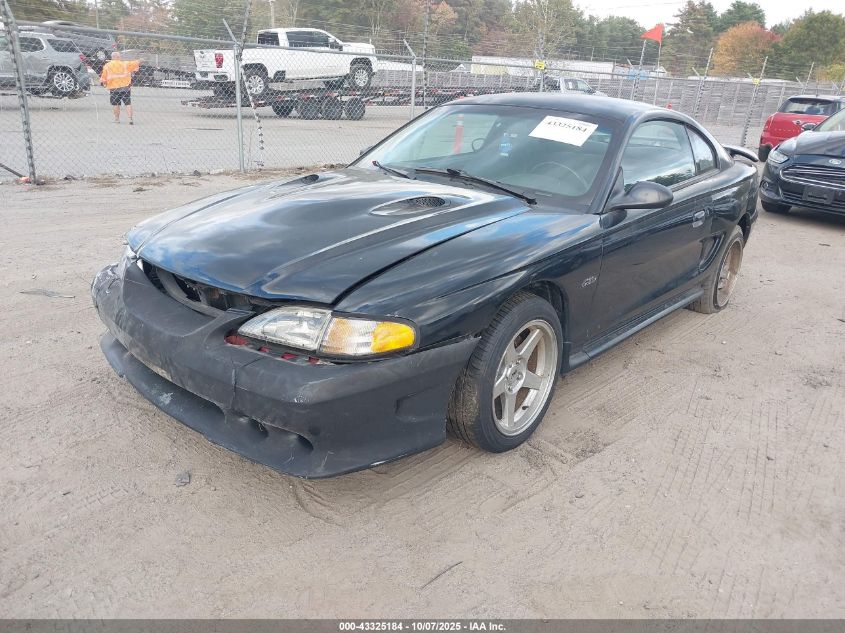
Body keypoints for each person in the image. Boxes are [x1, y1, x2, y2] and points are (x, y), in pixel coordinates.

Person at [100, 52, 141, 124]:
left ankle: (117, 119)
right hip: (125, 86)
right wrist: (140, 60)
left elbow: (104, 77)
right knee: (128, 103)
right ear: (119, 57)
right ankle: (130, 119)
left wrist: (104, 83)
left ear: (112, 57)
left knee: (116, 104)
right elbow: (135, 63)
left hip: (113, 87)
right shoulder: (125, 64)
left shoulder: (107, 65)